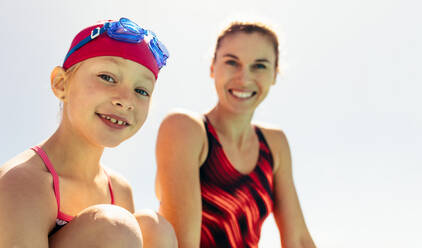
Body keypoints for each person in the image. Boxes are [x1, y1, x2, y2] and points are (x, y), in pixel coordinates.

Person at [0, 17, 177, 248]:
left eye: (141, 91)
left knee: (155, 228)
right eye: (107, 77)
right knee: (114, 227)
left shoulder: (119, 190)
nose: (125, 101)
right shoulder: (24, 183)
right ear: (61, 84)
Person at [155, 22, 316, 248]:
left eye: (259, 66)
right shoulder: (186, 129)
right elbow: (182, 243)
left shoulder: (274, 144)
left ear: (274, 74)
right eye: (232, 62)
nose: (244, 78)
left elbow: (298, 240)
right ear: (212, 67)